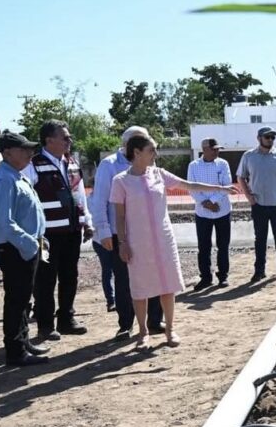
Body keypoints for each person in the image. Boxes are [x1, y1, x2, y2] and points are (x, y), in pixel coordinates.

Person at [111, 134, 237, 348]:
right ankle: (143, 333)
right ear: (137, 152)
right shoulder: (121, 181)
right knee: (140, 286)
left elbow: (188, 185)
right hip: (137, 242)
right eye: (152, 150)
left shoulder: (159, 174)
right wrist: (122, 242)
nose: (156, 154)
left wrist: (221, 189)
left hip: (163, 238)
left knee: (167, 283)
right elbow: (120, 215)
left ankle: (169, 329)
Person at [0, 132, 52, 366]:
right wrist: (30, 244)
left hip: (24, 247)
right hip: (17, 249)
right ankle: (15, 351)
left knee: (23, 299)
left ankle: (22, 343)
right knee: (16, 299)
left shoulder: (15, 176)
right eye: (23, 149)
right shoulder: (4, 179)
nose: (29, 153)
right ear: (7, 153)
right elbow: (2, 221)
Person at [92, 126, 164, 341]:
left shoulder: (150, 165)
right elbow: (100, 201)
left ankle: (154, 320)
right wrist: (104, 231)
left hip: (148, 233)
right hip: (120, 233)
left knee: (153, 277)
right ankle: (126, 324)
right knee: (124, 281)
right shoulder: (109, 165)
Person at [22, 120, 92, 341]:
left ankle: (66, 319)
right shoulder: (33, 164)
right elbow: (25, 198)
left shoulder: (71, 163)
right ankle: (45, 324)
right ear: (49, 140)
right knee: (45, 279)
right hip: (47, 235)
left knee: (70, 276)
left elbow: (80, 195)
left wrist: (87, 221)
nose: (69, 140)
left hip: (71, 231)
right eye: (65, 137)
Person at [237, 126, 276, 283]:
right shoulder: (249, 156)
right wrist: (248, 196)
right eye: (267, 137)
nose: (270, 140)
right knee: (260, 239)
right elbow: (241, 177)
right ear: (259, 138)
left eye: (272, 137)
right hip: (259, 205)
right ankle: (259, 271)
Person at [187, 138, 233, 290]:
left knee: (223, 245)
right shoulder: (193, 166)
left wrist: (213, 201)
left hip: (223, 210)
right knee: (204, 247)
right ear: (204, 149)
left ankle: (223, 276)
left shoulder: (223, 164)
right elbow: (191, 188)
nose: (216, 151)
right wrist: (205, 203)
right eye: (214, 149)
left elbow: (227, 185)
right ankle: (205, 277)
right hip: (202, 213)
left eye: (217, 149)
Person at [88, 192, 116, 311]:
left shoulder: (106, 198)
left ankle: (114, 300)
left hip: (105, 238)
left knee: (110, 270)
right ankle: (111, 300)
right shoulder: (91, 200)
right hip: (100, 240)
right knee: (108, 270)